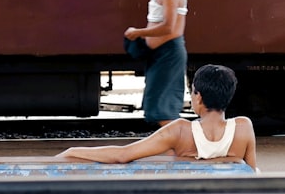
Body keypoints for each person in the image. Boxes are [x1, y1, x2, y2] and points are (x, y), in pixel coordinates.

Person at [57, 64, 259, 171]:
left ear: (198, 96)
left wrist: (73, 149)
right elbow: (251, 172)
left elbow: (123, 155)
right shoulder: (244, 127)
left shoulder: (180, 130)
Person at [123, 0, 189, 126]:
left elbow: (169, 26)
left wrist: (138, 32)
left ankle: (180, 146)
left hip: (169, 53)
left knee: (163, 108)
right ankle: (171, 147)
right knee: (156, 105)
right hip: (160, 54)